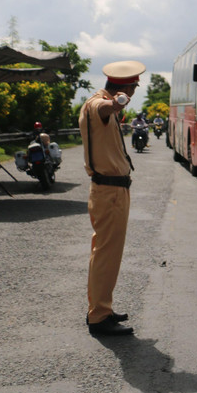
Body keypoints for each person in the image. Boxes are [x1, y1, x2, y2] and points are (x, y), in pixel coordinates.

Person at [78, 60, 145, 336]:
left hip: (112, 190)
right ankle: (99, 316)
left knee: (106, 252)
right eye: (133, 88)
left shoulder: (99, 104)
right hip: (110, 191)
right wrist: (117, 102)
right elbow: (105, 108)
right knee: (107, 253)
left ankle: (101, 308)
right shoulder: (98, 104)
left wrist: (117, 104)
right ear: (126, 87)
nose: (134, 92)